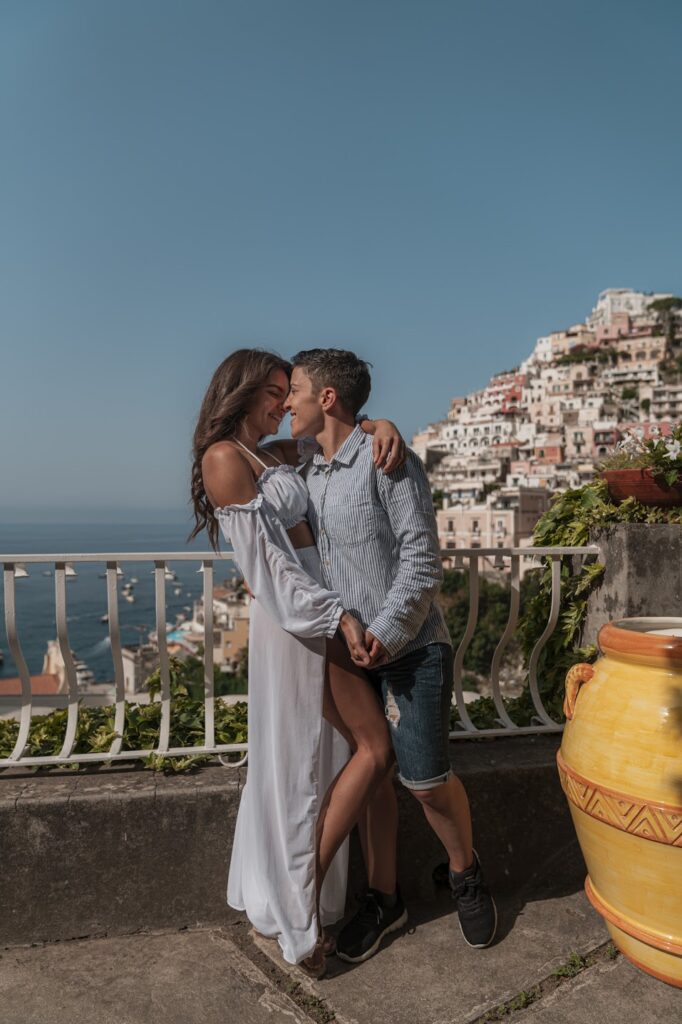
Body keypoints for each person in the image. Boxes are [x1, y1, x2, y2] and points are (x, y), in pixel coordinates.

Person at [189, 348, 404, 977]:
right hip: (301, 616)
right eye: (275, 392)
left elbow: (333, 439)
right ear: (243, 391)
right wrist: (335, 615)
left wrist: (375, 425)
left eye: (291, 391)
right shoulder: (223, 458)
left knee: (329, 756)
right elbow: (270, 571)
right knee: (368, 750)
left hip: (322, 605)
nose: (285, 404)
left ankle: (300, 897)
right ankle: (298, 912)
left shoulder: (275, 454)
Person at [285, 348, 498, 964]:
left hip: (408, 646)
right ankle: (384, 897)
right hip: (347, 653)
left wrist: (381, 631)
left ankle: (465, 871)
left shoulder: (389, 462)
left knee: (425, 779)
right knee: (374, 774)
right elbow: (241, 454)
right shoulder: (304, 466)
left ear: (327, 397)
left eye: (295, 390)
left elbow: (422, 562)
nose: (287, 403)